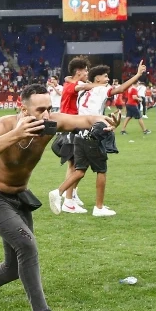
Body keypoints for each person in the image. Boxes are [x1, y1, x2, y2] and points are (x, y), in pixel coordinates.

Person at [0, 84, 112, 311]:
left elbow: (83, 119)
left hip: (19, 197)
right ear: (23, 108)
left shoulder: (50, 122)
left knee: (13, 267)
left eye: (49, 108)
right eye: (40, 109)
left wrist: (102, 121)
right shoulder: (5, 125)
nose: (46, 115)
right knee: (27, 246)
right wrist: (17, 134)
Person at [51, 61, 147, 217]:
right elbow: (121, 89)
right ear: (97, 79)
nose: (108, 78)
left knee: (79, 169)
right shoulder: (101, 89)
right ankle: (98, 207)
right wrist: (137, 74)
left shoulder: (83, 91)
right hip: (92, 130)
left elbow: (71, 79)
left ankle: (65, 197)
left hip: (79, 131)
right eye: (105, 76)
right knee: (101, 169)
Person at [52, 58, 89, 212]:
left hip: (72, 125)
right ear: (79, 72)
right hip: (70, 126)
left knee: (76, 164)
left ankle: (71, 194)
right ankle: (67, 200)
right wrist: (99, 85)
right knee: (74, 165)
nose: (87, 73)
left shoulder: (69, 83)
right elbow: (81, 85)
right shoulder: (72, 86)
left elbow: (73, 81)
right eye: (86, 70)